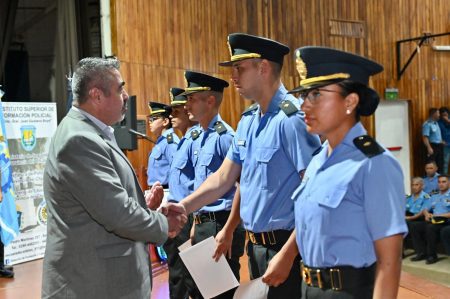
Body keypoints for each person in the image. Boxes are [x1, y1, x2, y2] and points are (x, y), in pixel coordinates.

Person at [165, 33, 321, 298]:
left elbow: (315, 193)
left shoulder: (291, 119)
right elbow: (224, 177)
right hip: (257, 248)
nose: (233, 76)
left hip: (287, 248)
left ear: (263, 68)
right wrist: (184, 206)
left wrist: (289, 253)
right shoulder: (248, 120)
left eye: (239, 68)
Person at [42, 57, 187, 298]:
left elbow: (105, 202)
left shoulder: (93, 133)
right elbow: (117, 214)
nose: (127, 96)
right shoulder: (79, 140)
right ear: (97, 95)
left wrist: (148, 209)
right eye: (120, 89)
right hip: (90, 285)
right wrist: (164, 224)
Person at [290, 46, 407, 299]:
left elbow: (389, 262)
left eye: (316, 94)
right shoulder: (318, 159)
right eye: (304, 95)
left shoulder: (374, 164)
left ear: (350, 101)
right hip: (309, 289)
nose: (304, 106)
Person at [182, 70, 246, 299]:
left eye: (191, 98)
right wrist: (195, 222)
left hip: (220, 224)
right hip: (203, 224)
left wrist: (229, 228)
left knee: (221, 294)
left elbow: (242, 185)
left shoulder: (225, 136)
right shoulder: (199, 136)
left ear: (210, 100)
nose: (186, 104)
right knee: (200, 293)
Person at [163, 87, 198, 299]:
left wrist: (196, 221)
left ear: (187, 111)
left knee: (192, 279)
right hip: (176, 213)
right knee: (178, 274)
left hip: (189, 216)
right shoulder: (184, 141)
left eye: (176, 111)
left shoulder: (196, 140)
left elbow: (202, 184)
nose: (171, 116)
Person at [409, 174, 450, 264]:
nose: (441, 184)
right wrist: (427, 214)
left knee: (430, 227)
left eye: (444, 182)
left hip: (445, 222)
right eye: (439, 182)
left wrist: (439, 215)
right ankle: (421, 252)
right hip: (434, 220)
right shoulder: (434, 195)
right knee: (414, 226)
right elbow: (425, 209)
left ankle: (432, 256)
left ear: (449, 183)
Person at [147, 101, 179, 188]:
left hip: (166, 190)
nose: (150, 122)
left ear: (165, 121)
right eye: (150, 119)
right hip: (157, 189)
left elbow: (176, 171)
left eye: (154, 119)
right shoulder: (161, 142)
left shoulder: (170, 142)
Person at [423, 108, 444, 172]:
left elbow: (436, 135)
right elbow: (425, 137)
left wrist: (441, 141)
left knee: (440, 164)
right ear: (433, 114)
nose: (439, 115)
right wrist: (429, 148)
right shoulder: (427, 124)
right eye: (438, 113)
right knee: (431, 165)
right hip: (432, 146)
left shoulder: (436, 123)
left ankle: (439, 180)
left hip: (439, 146)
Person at [438, 106, 450, 174]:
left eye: (446, 114)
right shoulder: (439, 122)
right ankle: (444, 177)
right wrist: (440, 140)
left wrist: (448, 121)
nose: (445, 116)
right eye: (443, 115)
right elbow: (437, 133)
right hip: (446, 145)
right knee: (445, 161)